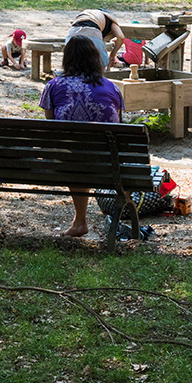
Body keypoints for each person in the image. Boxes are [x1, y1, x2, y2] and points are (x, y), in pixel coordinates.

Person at [39, 35, 126, 237]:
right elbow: (118, 124)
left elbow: (51, 127)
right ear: (95, 58)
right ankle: (117, 218)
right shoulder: (112, 87)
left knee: (74, 152)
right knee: (85, 152)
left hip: (67, 161)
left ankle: (80, 221)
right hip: (108, 161)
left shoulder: (53, 86)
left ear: (67, 59)